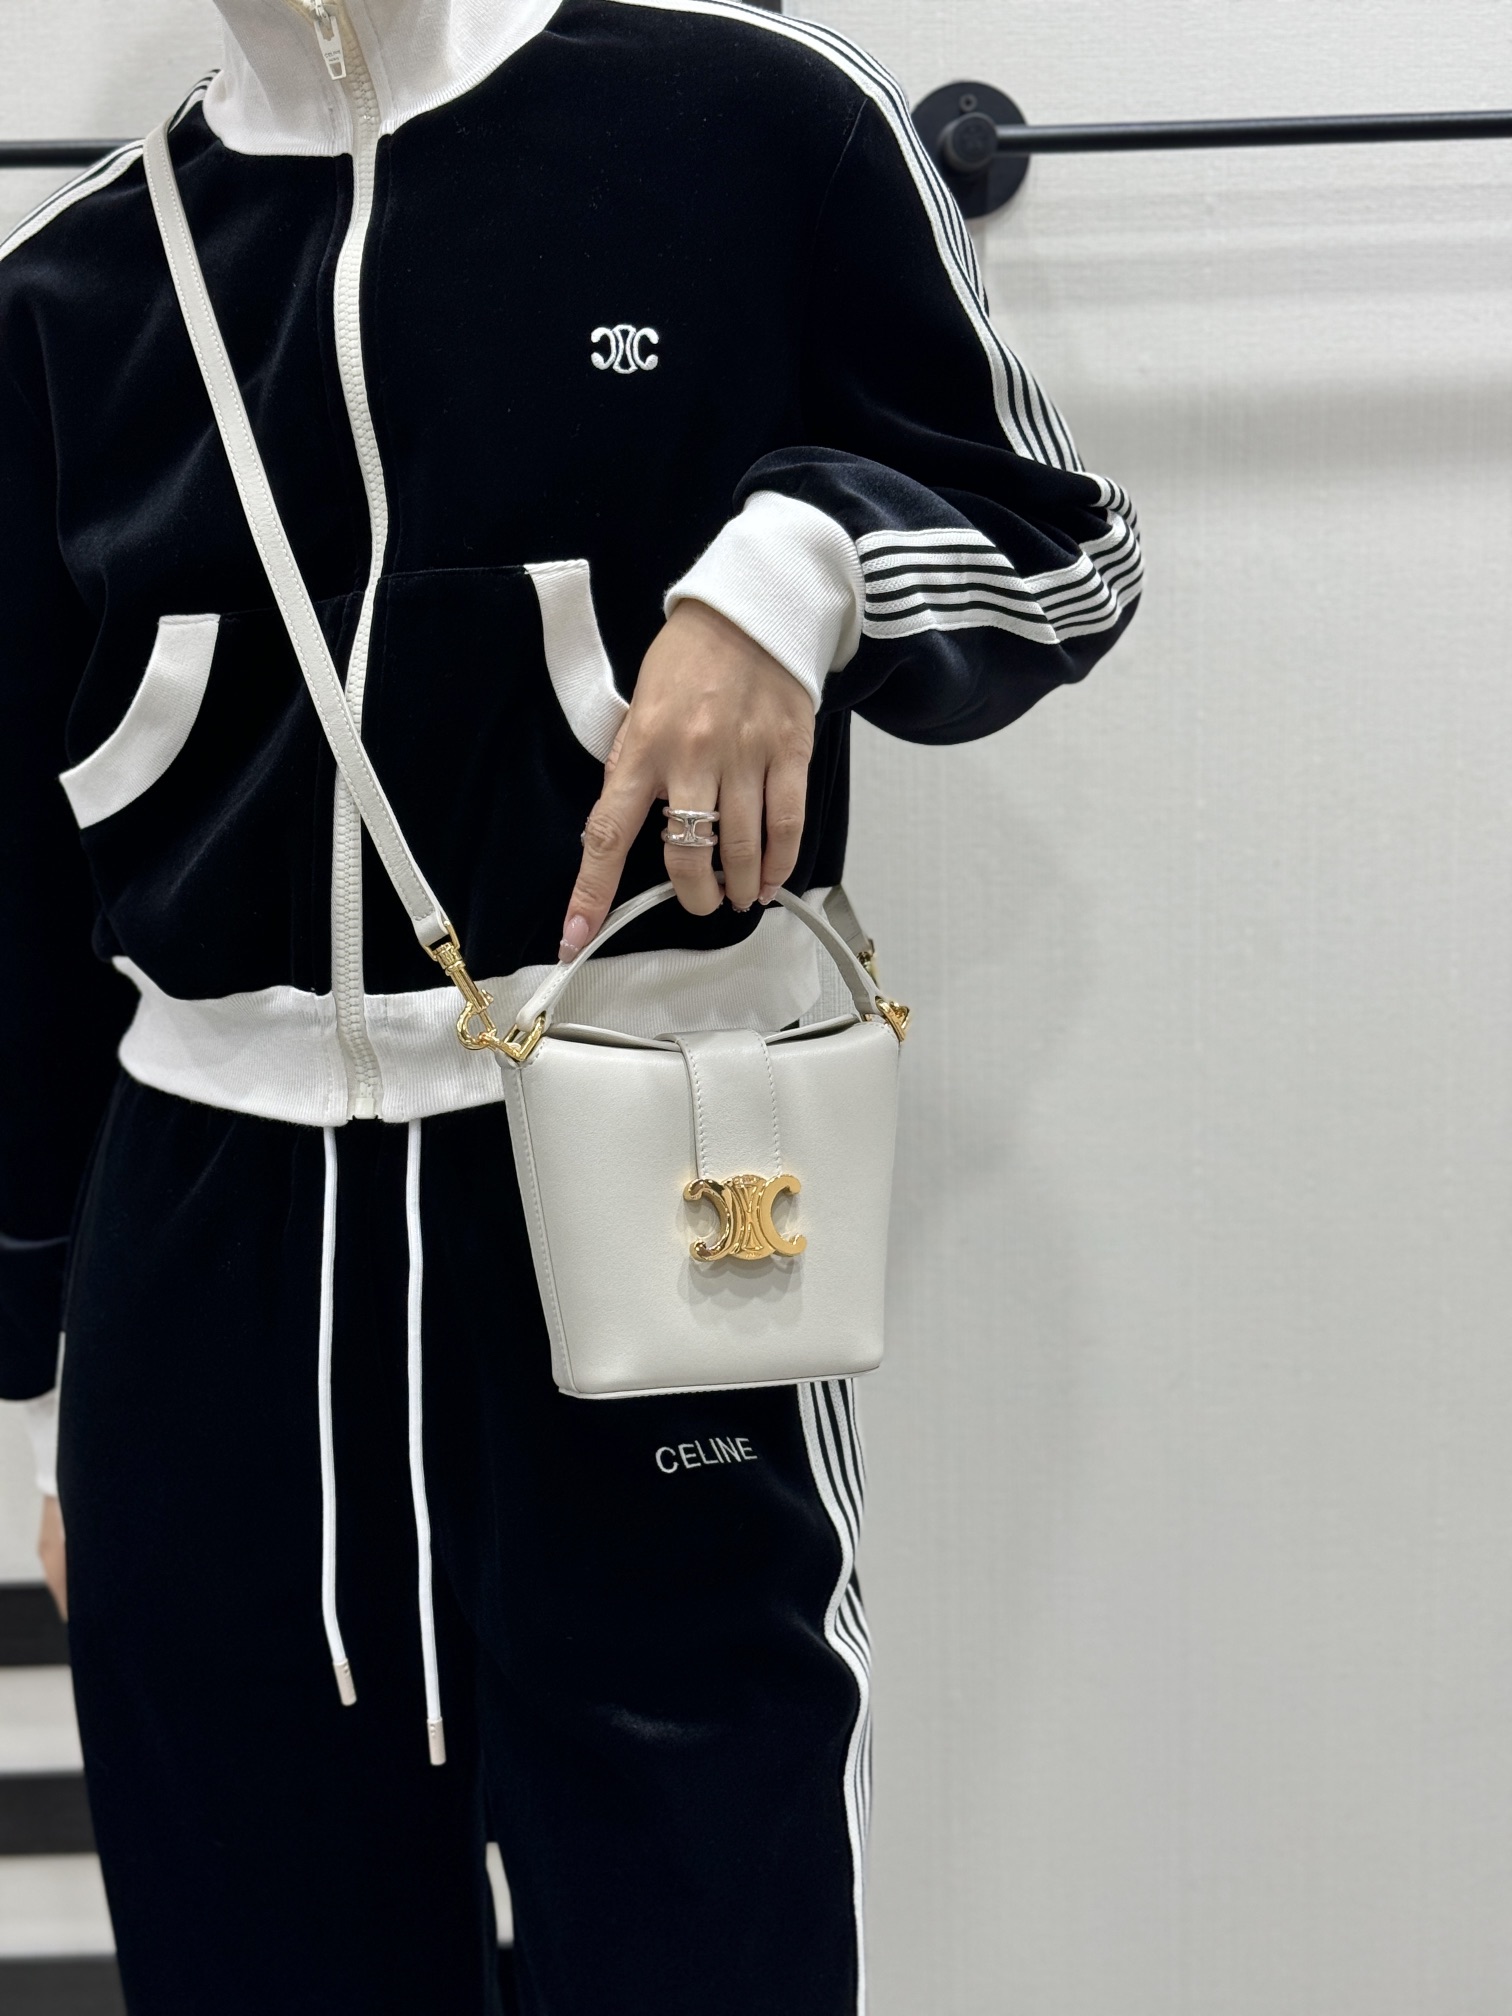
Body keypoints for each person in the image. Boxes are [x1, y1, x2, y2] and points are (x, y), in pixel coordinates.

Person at [0, 1, 1141, 2009]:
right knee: (251, 1944)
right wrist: (55, 1376)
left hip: (639, 1186)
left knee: (704, 1922)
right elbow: (20, 894)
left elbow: (1063, 551)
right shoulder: (70, 289)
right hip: (202, 1255)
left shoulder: (747, 119)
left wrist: (799, 566)